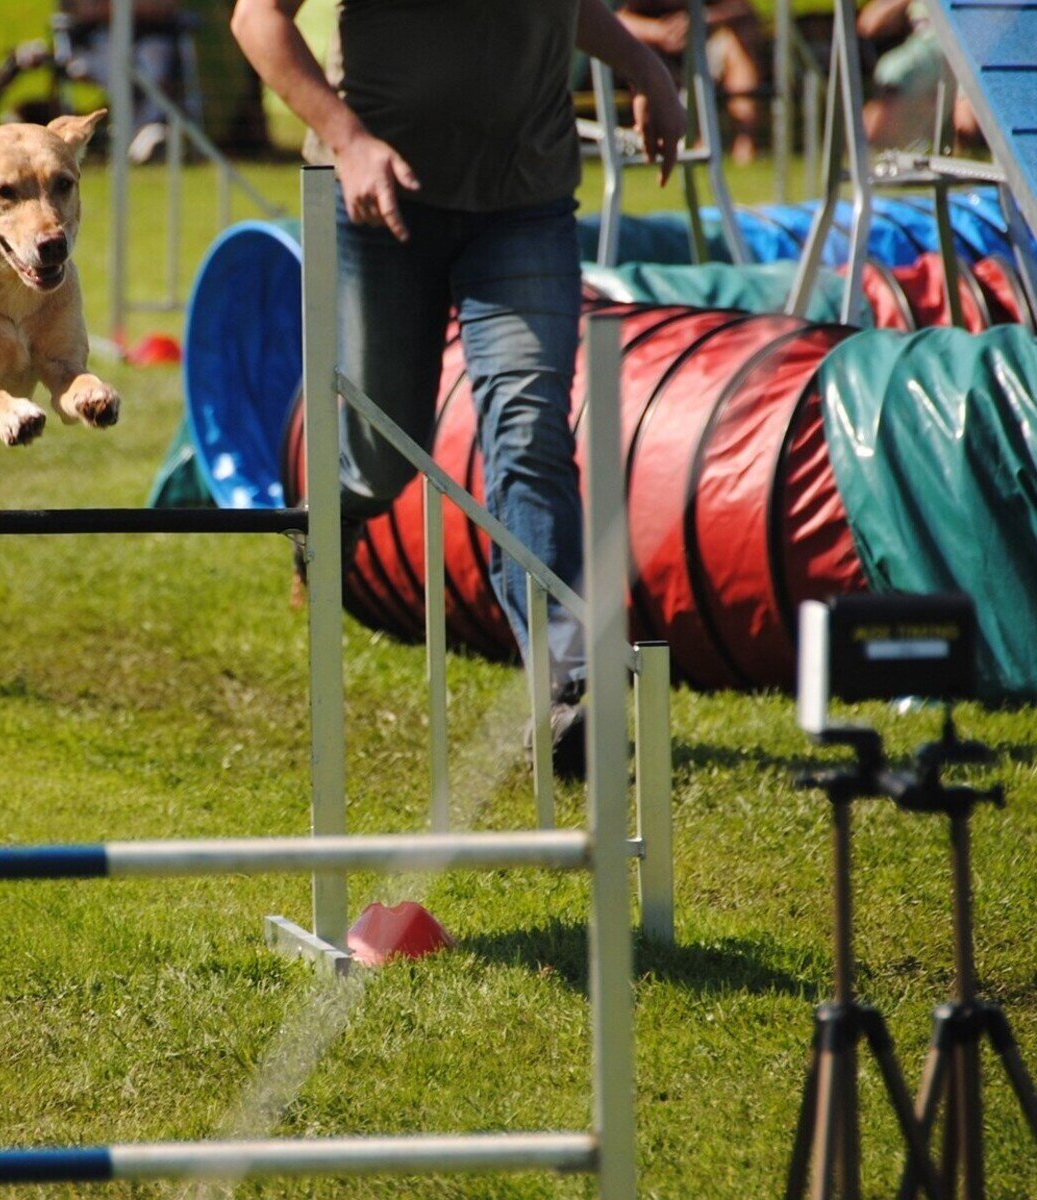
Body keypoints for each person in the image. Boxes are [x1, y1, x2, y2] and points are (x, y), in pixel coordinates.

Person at [229, 0, 686, 778]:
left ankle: (566, 687)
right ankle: (323, 513)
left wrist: (644, 67)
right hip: (377, 198)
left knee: (529, 426)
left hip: (523, 202)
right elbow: (255, 19)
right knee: (381, 459)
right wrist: (348, 140)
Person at [616, 0, 766, 165]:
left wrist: (699, 19)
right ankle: (666, 139)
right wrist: (658, 31)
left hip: (701, 47)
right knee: (641, 58)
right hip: (651, 53)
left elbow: (743, 9)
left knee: (736, 45)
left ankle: (743, 141)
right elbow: (611, 17)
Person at [60, 0, 186, 163]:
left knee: (151, 69)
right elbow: (81, 9)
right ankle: (130, 138)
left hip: (148, 39)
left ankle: (146, 133)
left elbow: (165, 7)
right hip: (98, 45)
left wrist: (128, 9)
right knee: (117, 70)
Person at [856, 0, 979, 149]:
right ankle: (864, 148)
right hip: (926, 51)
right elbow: (869, 24)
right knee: (895, 71)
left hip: (972, 47)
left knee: (966, 125)